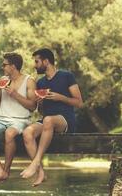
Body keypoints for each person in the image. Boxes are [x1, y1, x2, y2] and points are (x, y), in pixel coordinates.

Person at [21, 48, 83, 186]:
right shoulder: (41, 83)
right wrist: (40, 103)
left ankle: (35, 163)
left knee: (48, 120)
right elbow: (43, 112)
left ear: (46, 61)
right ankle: (41, 172)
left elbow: (79, 102)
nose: (35, 65)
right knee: (27, 132)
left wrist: (61, 98)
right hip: (48, 121)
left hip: (66, 120)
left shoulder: (67, 76)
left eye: (37, 62)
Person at [0, 52, 37, 183]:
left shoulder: (29, 81)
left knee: (9, 133)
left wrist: (15, 94)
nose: (2, 67)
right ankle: (0, 170)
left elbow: (33, 106)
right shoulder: (3, 79)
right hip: (2, 118)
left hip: (21, 119)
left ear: (13, 66)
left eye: (4, 65)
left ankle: (6, 170)